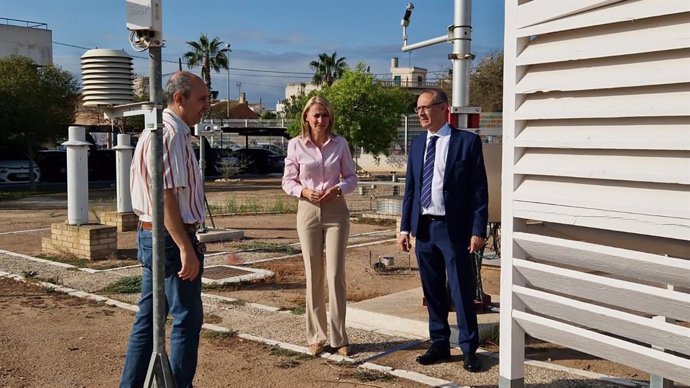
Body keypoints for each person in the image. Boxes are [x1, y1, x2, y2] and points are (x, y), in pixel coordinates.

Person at [121, 71, 210, 387]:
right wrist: (186, 247)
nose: (207, 105)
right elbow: (166, 196)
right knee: (186, 318)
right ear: (178, 99)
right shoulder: (169, 134)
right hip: (170, 238)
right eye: (201, 98)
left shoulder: (166, 131)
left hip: (155, 234)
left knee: (149, 319)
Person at [397, 88, 488, 372]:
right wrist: (404, 228)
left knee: (461, 289)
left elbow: (479, 190)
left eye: (426, 107)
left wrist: (478, 229)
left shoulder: (466, 142)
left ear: (443, 108)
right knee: (432, 289)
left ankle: (469, 348)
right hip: (424, 227)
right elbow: (411, 188)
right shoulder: (416, 144)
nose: (421, 113)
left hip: (454, 229)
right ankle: (439, 343)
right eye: (418, 108)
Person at [282, 95, 358, 357]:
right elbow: (287, 181)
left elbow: (351, 177)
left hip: (336, 211)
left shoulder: (340, 144)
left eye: (325, 115)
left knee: (336, 274)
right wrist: (303, 192)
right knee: (313, 273)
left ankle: (339, 337)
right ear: (306, 117)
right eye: (316, 115)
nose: (320, 120)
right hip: (308, 210)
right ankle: (316, 336)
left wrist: (338, 189)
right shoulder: (295, 145)